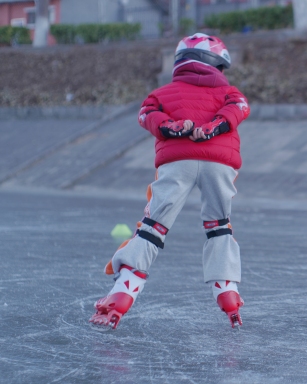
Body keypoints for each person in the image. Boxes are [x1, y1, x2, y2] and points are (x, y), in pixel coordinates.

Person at [89, 33, 251, 331]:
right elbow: (239, 108)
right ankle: (229, 297)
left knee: (153, 228)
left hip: (178, 161)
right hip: (220, 162)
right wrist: (216, 126)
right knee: (219, 226)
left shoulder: (161, 92)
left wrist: (172, 127)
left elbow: (146, 115)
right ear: (216, 63)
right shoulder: (229, 91)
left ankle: (122, 295)